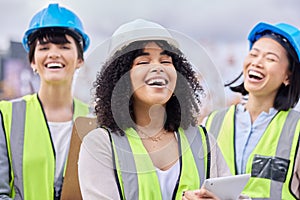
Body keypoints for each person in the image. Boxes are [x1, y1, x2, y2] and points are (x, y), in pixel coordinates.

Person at [77, 18, 231, 200]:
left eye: (166, 61)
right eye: (143, 62)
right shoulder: (100, 145)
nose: (158, 67)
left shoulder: (203, 141)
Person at [0, 3, 90, 200]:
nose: (54, 54)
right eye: (44, 47)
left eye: (64, 46)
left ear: (80, 60)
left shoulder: (95, 120)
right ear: (32, 61)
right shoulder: (5, 116)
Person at [204, 22, 300, 199]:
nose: (257, 62)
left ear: (288, 75)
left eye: (270, 58)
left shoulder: (297, 129)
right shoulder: (211, 122)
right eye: (254, 54)